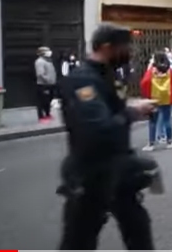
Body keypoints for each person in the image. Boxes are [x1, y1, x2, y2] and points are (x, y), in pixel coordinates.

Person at [57, 24, 157, 250]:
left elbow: (110, 109)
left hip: (118, 172)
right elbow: (96, 128)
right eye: (124, 47)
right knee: (79, 241)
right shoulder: (82, 80)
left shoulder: (107, 75)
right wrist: (133, 112)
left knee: (139, 231)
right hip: (91, 175)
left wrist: (131, 106)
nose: (129, 52)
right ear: (106, 47)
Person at [140, 52, 172, 151]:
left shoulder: (151, 71)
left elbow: (144, 82)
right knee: (167, 119)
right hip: (166, 98)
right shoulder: (170, 70)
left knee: (153, 121)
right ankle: (170, 141)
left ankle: (151, 144)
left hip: (154, 98)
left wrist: (146, 95)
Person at [35, 46, 57, 122]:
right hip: (43, 85)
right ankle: (41, 116)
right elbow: (40, 74)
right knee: (42, 101)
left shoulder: (48, 61)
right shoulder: (40, 62)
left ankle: (47, 114)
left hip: (50, 84)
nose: (49, 52)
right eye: (47, 51)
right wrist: (47, 80)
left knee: (48, 100)